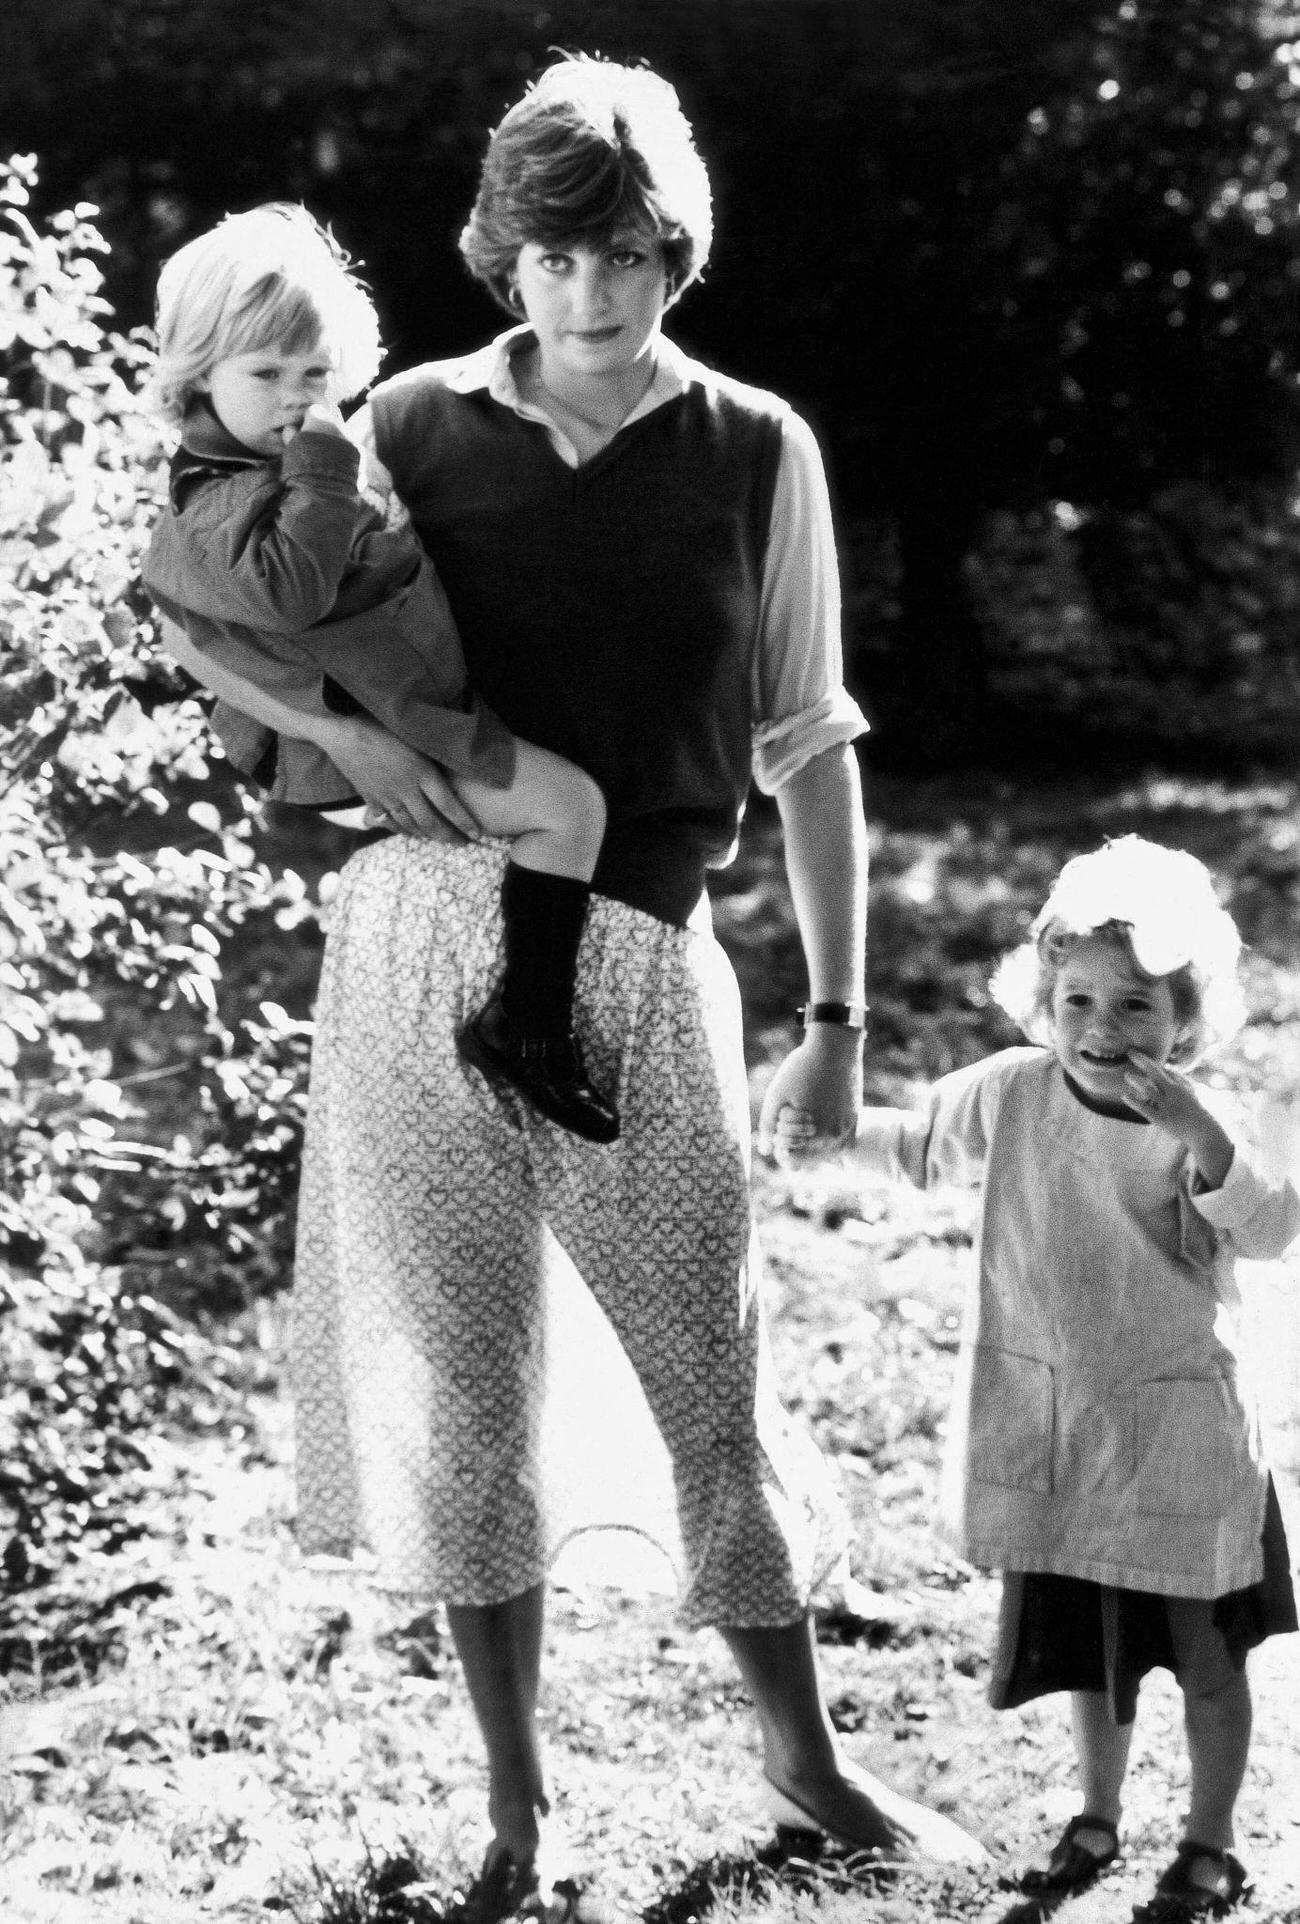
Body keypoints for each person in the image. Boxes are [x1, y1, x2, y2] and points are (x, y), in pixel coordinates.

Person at [154, 55, 987, 1910]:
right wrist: (336, 745)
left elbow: (813, 739)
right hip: (412, 939)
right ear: (501, 252)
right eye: (552, 254)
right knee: (462, 1381)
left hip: (638, 944)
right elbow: (231, 609)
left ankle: (808, 1755)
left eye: (624, 253)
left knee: (714, 1361)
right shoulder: (404, 422)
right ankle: (518, 1807)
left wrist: (840, 1024)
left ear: (676, 248)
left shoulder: (758, 445)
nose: (590, 294)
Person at [800, 836, 1299, 1921]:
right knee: (1095, 1657)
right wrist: (823, 1127)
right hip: (1061, 1430)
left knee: (1207, 1659)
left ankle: (1209, 1839)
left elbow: (1268, 1229)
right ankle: (1097, 1812)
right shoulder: (1017, 1090)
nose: (1101, 1031)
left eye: (1134, 1007)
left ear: (1186, 1019)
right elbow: (917, 1141)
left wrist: (1200, 1132)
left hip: (1179, 1438)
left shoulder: (1194, 1119)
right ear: (1042, 1000)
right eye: (1076, 1000)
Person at [141, 202, 618, 1142]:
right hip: (382, 737)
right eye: (268, 374)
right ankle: (525, 1028)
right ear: (197, 374)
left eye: (316, 374)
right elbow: (291, 591)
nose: (298, 398)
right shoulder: (224, 502)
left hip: (404, 707)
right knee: (573, 810)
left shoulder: (264, 471)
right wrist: (326, 460)